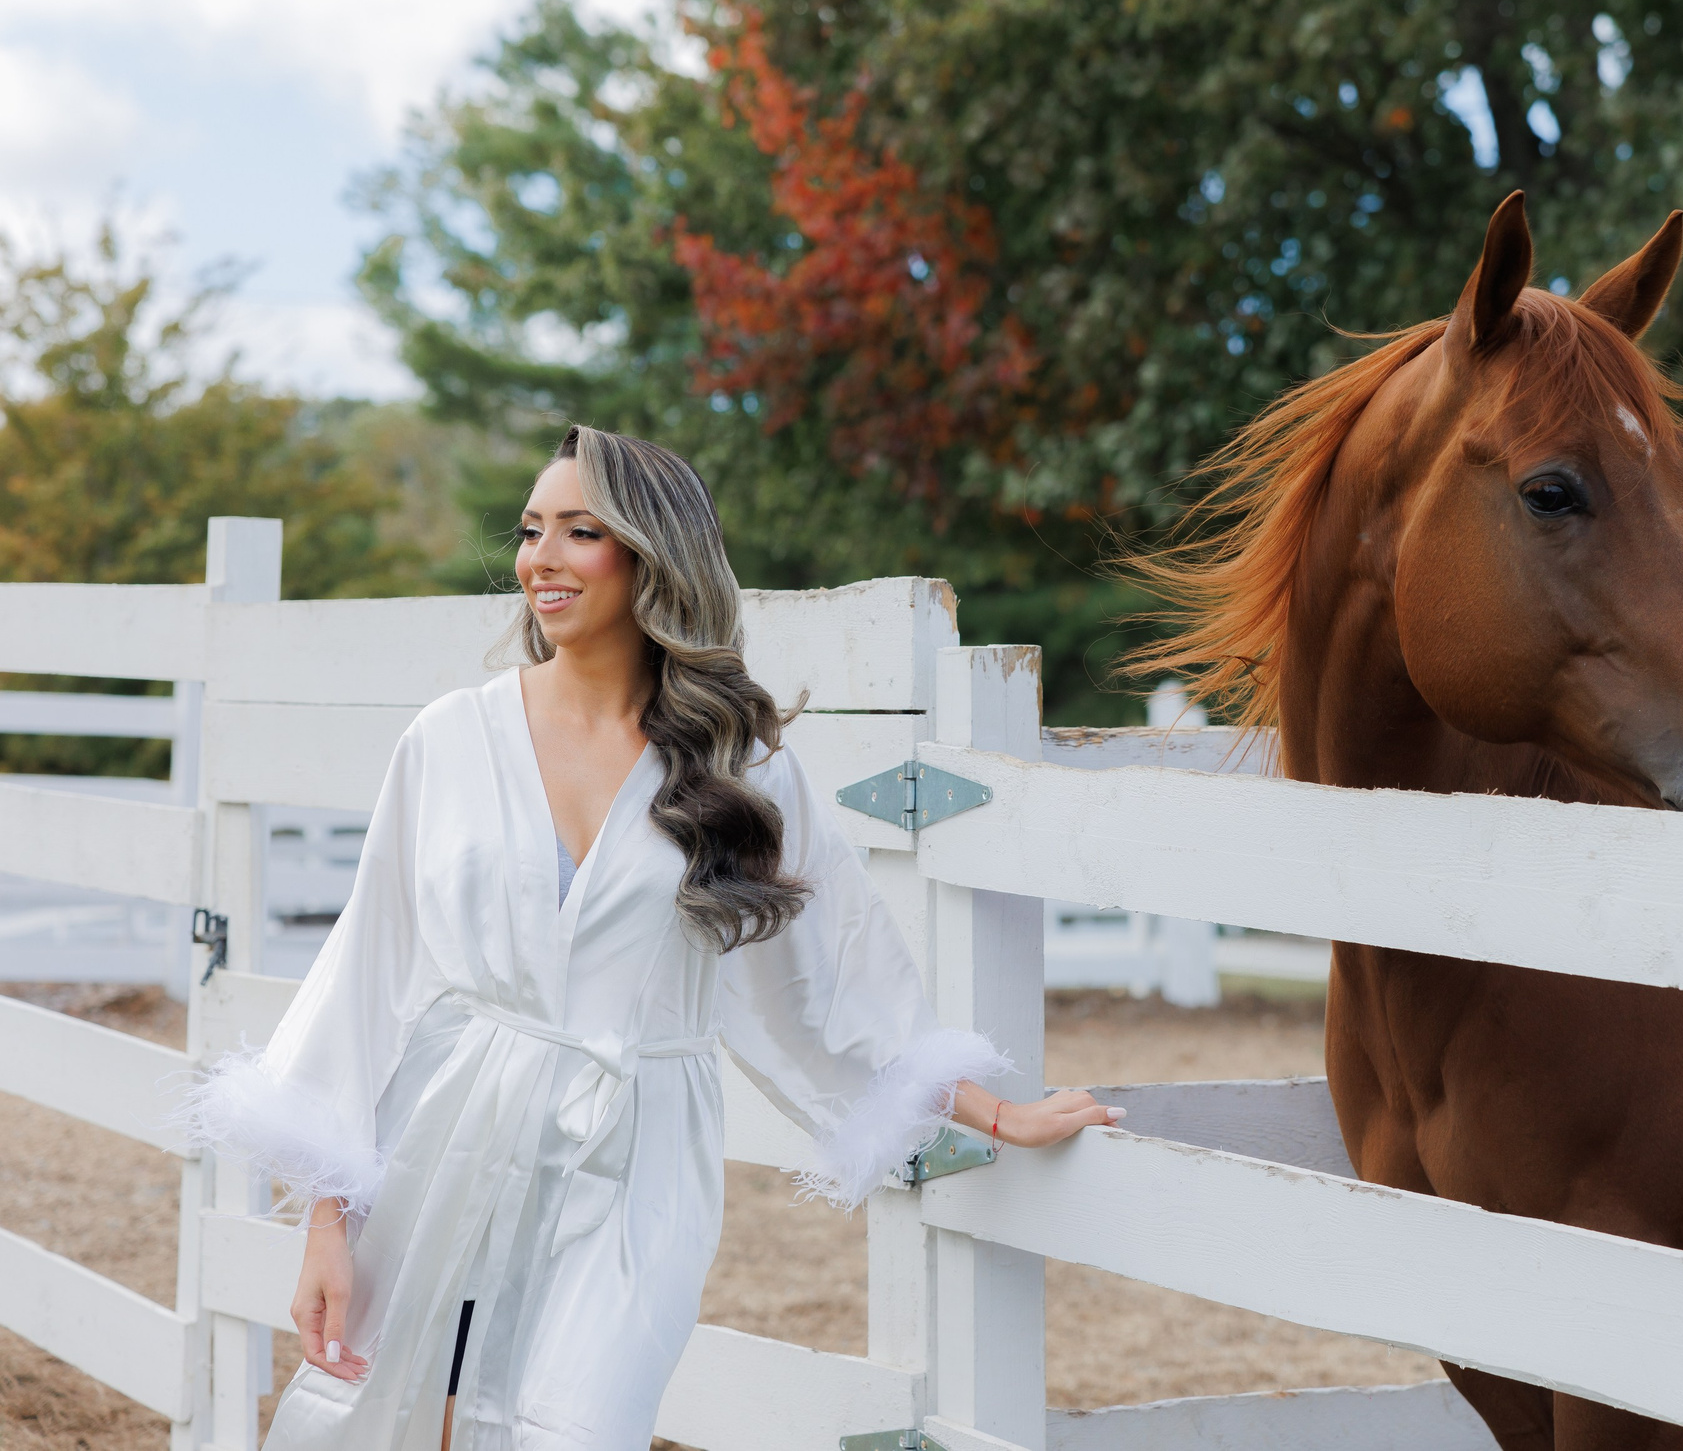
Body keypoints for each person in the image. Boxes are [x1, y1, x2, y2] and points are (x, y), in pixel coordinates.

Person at [182, 426, 1117, 1449]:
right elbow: (366, 971)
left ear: (651, 555)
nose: (541, 557)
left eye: (581, 531)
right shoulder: (450, 738)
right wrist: (326, 1220)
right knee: (392, 1414)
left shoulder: (741, 765)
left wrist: (993, 1109)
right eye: (533, 529)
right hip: (450, 1127)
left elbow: (829, 979)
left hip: (642, 1161)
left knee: (575, 1429)